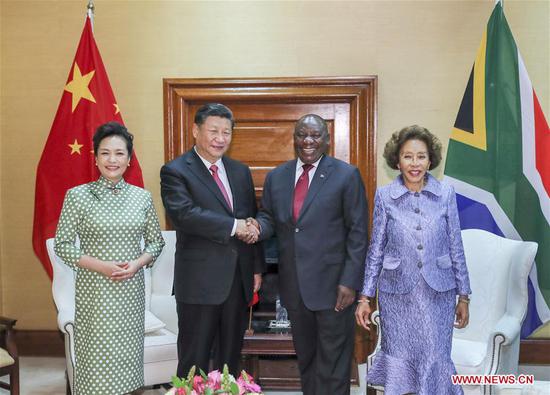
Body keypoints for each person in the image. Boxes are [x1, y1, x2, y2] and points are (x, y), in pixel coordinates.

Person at [253, 114, 369, 395]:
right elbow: (269, 218)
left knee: (333, 364)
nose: (308, 141)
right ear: (293, 138)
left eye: (315, 135)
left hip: (334, 288)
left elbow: (358, 232)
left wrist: (350, 282)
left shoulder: (346, 175)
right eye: (302, 135)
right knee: (307, 361)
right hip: (294, 288)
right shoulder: (277, 177)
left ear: (327, 140)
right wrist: (253, 226)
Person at [355, 125, 471, 394]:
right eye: (408, 156)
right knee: (401, 364)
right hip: (397, 295)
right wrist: (365, 297)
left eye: (421, 156)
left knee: (435, 358)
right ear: (397, 160)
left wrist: (464, 296)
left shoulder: (446, 195)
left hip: (438, 295)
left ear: (431, 160)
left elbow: (456, 246)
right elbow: (376, 249)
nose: (415, 163)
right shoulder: (385, 196)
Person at [54, 121, 165, 395]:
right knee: (96, 367)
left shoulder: (142, 197)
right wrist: (102, 266)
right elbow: (63, 245)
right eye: (105, 153)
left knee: (127, 367)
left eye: (119, 153)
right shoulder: (77, 196)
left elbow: (156, 242)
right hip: (96, 293)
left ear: (129, 159)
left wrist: (138, 263)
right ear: (95, 158)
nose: (112, 160)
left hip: (130, 293)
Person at [160, 103, 264, 377]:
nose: (220, 138)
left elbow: (249, 217)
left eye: (227, 132)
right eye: (213, 131)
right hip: (199, 282)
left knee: (229, 359)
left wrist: (255, 267)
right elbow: (185, 215)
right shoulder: (176, 171)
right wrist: (234, 226)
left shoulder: (240, 171)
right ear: (196, 130)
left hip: (237, 280)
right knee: (194, 359)